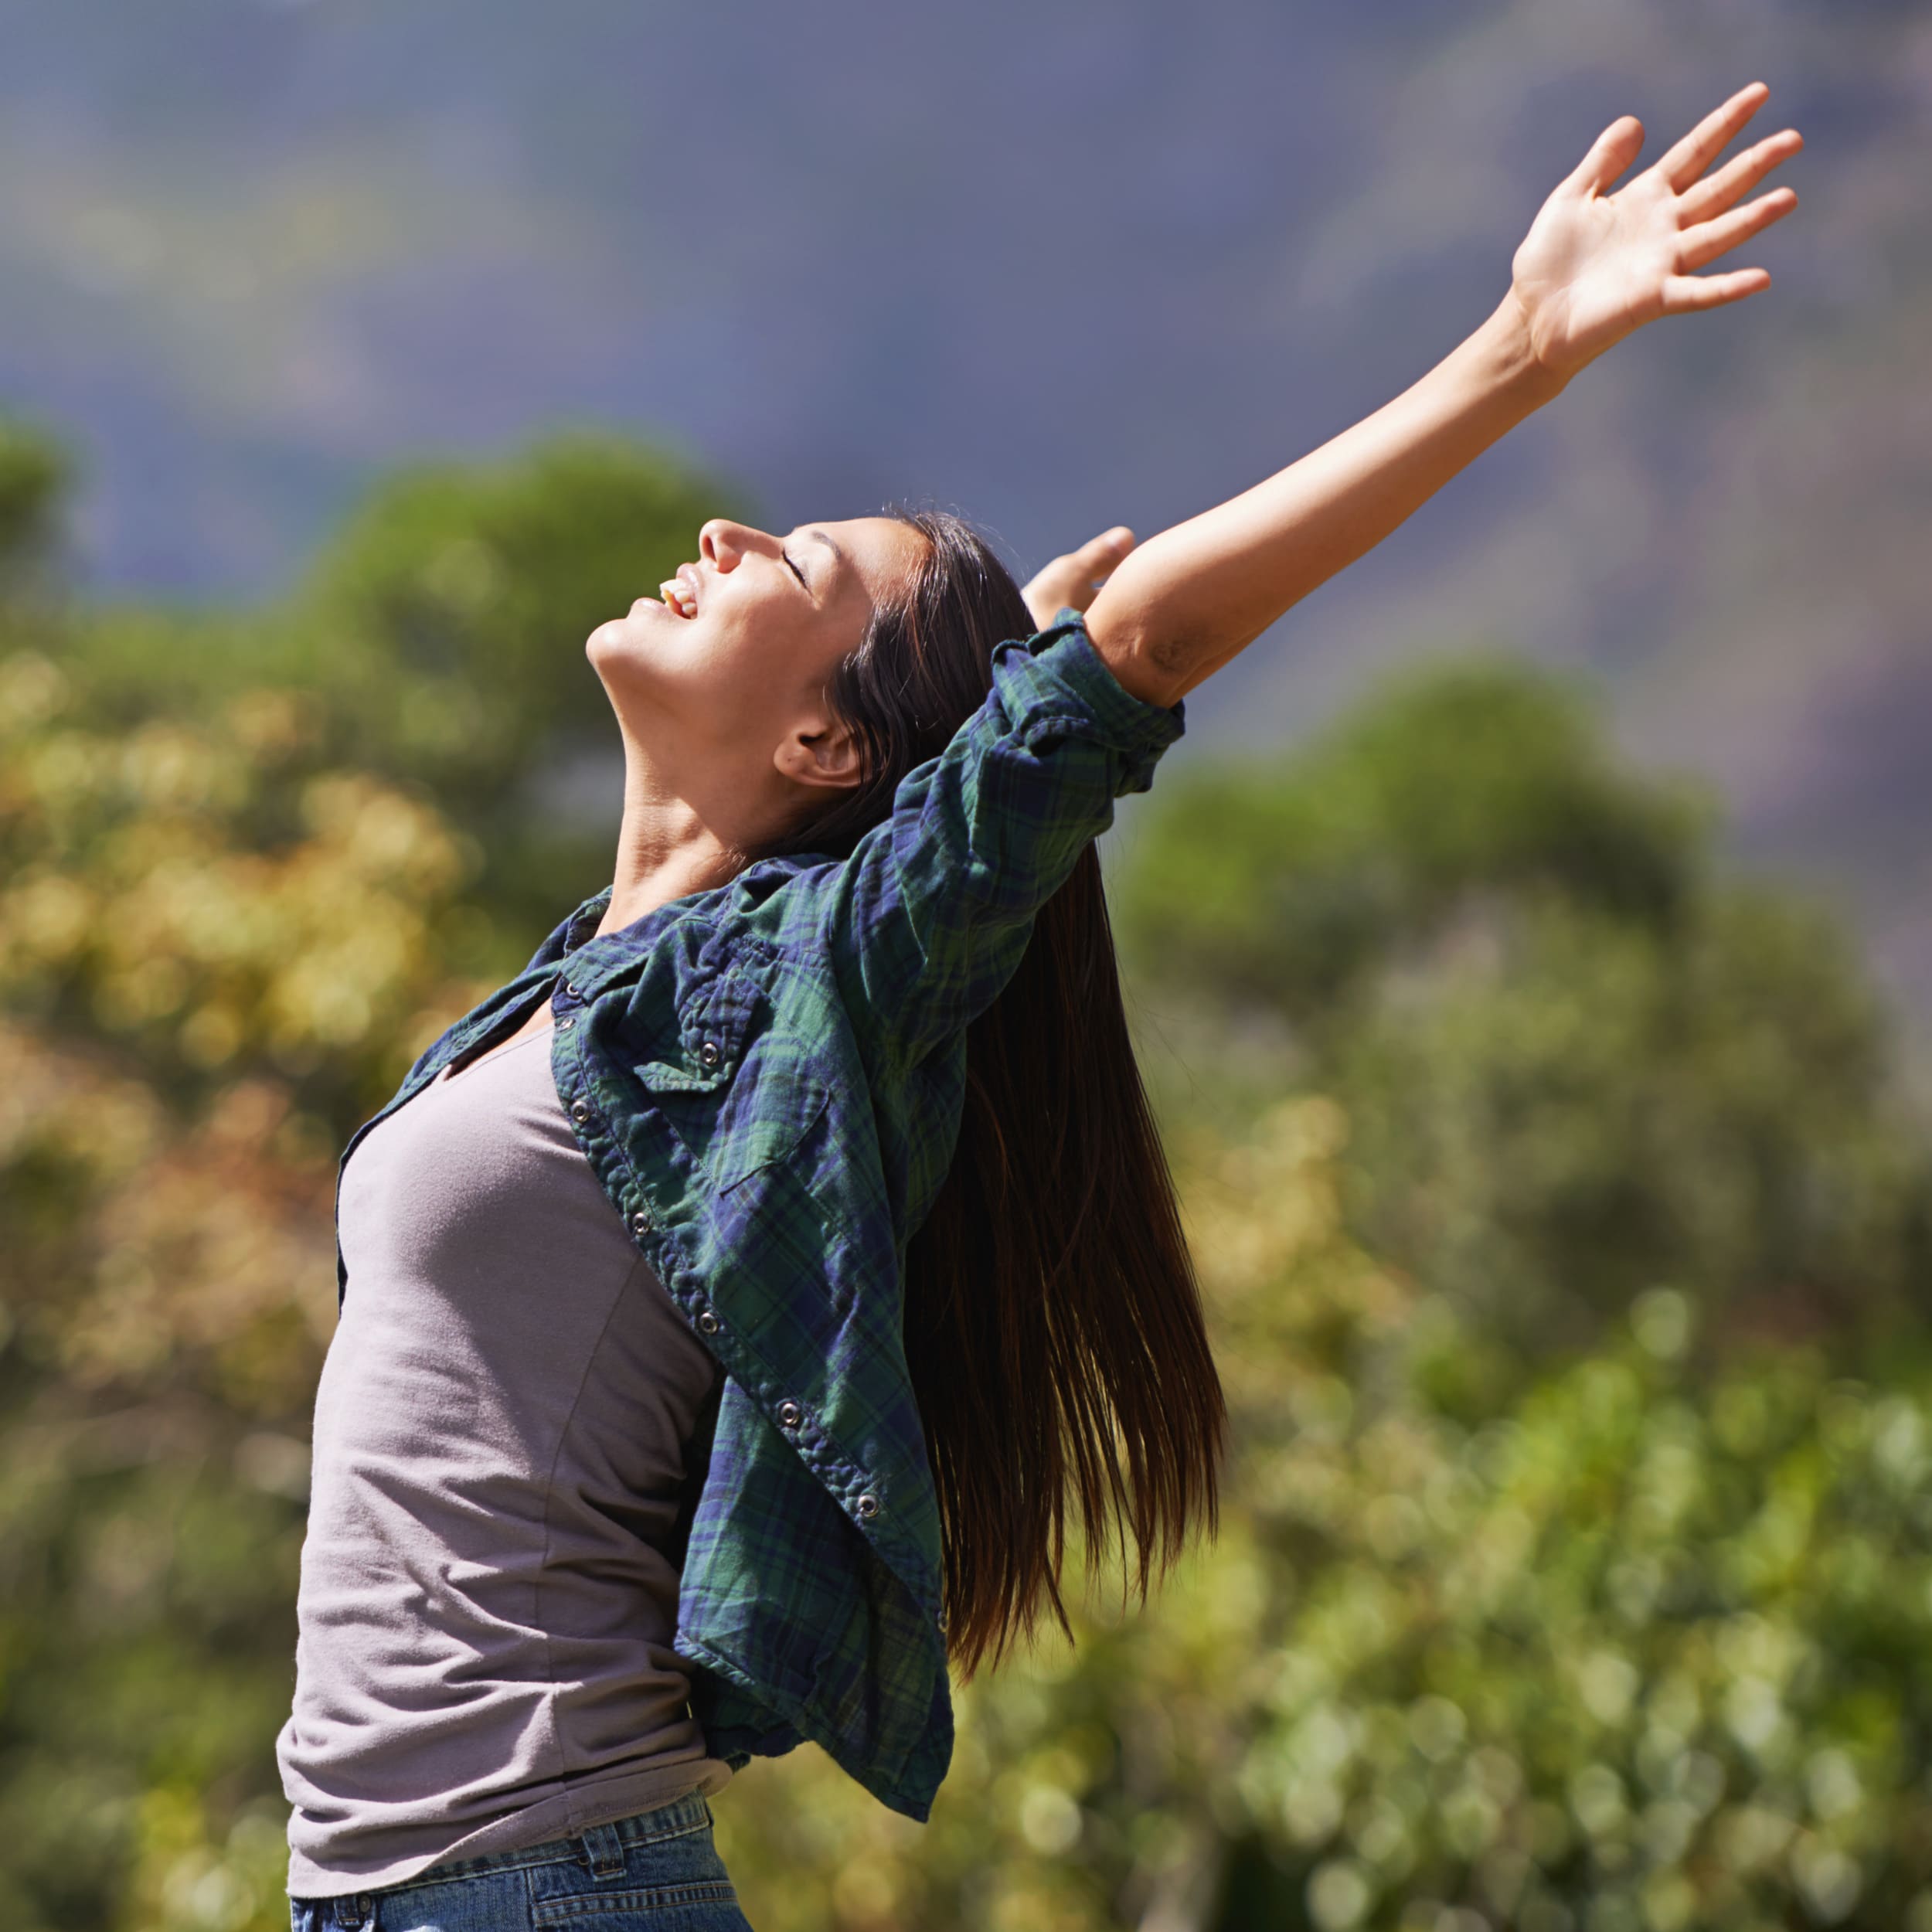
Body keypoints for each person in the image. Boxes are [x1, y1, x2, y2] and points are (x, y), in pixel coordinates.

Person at [281, 81, 1801, 1932]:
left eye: (801, 565)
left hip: (535, 1886)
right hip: (399, 1893)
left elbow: (1138, 653)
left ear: (826, 740)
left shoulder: (811, 986)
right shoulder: (586, 999)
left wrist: (1516, 345)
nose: (720, 532)